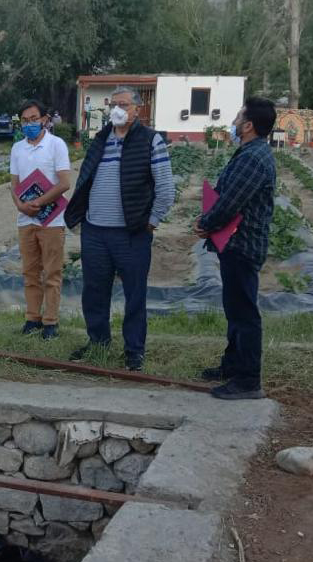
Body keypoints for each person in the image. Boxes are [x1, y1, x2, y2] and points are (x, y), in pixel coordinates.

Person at [65, 86, 175, 371]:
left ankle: (134, 351)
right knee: (94, 291)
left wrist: (151, 222)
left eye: (124, 104)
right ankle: (98, 342)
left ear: (138, 109)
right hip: (95, 232)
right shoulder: (100, 140)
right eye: (113, 104)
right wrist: (80, 219)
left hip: (131, 234)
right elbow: (84, 180)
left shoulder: (151, 141)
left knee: (134, 295)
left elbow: (165, 189)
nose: (117, 109)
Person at [195, 97, 278, 401]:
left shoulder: (253, 159)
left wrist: (206, 222)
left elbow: (231, 202)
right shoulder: (249, 153)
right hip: (233, 243)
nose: (234, 120)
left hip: (242, 244)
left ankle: (248, 379)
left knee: (244, 312)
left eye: (239, 115)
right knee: (235, 308)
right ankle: (232, 365)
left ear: (249, 125)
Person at [9, 100, 72, 340]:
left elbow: (64, 182)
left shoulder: (56, 145)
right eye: (25, 120)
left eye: (34, 119)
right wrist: (21, 205)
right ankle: (32, 318)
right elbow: (13, 185)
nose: (30, 124)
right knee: (30, 272)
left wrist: (41, 202)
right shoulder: (17, 148)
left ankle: (51, 321)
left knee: (52, 272)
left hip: (52, 220)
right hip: (26, 219)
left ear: (44, 119)